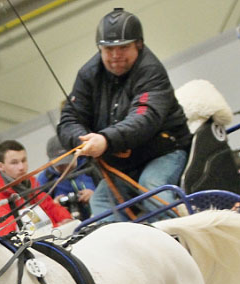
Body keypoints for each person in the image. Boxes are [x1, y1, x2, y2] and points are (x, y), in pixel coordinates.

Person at [57, 7, 191, 221]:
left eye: (123, 47)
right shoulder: (88, 75)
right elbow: (69, 120)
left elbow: (144, 118)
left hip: (165, 150)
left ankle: (185, 242)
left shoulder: (151, 71)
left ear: (139, 45)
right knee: (99, 202)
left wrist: (105, 140)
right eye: (108, 49)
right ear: (100, 49)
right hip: (125, 164)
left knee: (151, 188)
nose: (115, 55)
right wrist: (83, 140)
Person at [0, 140, 71, 235]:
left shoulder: (31, 182)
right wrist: (58, 227)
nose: (21, 167)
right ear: (1, 166)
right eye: (14, 163)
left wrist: (66, 220)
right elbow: (11, 232)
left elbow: (49, 206)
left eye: (23, 160)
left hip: (52, 235)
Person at [36, 135, 96, 219]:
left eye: (67, 162)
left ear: (75, 152)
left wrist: (95, 194)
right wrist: (53, 207)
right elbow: (39, 212)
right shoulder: (44, 180)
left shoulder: (90, 165)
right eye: (60, 165)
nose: (65, 168)